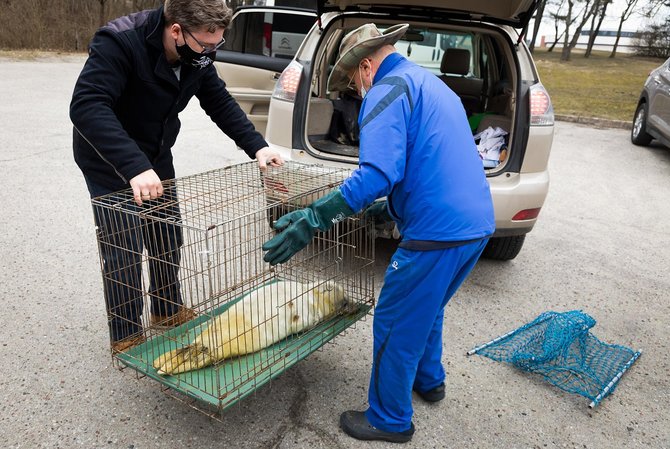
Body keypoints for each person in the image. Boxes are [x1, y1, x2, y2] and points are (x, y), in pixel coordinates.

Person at [262, 23, 495, 443]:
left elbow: (376, 174)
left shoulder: (387, 90)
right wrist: (385, 209)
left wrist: (314, 220)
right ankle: (429, 380)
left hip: (436, 231)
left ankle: (389, 419)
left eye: (353, 81)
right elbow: (427, 159)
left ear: (367, 66)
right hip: (476, 225)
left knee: (395, 318)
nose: (356, 90)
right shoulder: (432, 84)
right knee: (429, 306)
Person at [70, 0, 283, 353]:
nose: (211, 51)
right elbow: (87, 105)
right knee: (123, 245)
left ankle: (167, 310)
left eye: (218, 43)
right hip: (109, 158)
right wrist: (134, 167)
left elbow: (218, 100)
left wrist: (257, 146)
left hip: (156, 154)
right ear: (175, 31)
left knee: (167, 232)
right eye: (206, 43)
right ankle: (127, 334)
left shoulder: (197, 54)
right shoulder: (120, 42)